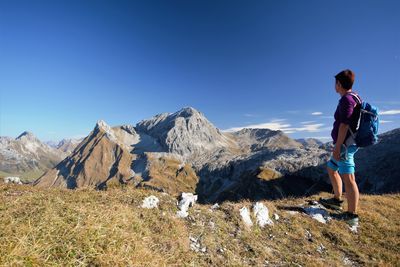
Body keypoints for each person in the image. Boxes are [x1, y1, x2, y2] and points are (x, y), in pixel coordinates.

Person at [319, 69, 361, 226]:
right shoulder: (353, 97)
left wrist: (338, 146)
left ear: (339, 83)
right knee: (332, 168)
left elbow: (344, 124)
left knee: (349, 179)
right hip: (345, 144)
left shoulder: (347, 100)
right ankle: (337, 200)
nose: (334, 86)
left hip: (345, 145)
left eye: (335, 83)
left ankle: (352, 215)